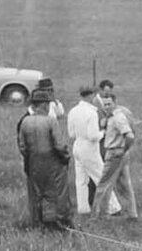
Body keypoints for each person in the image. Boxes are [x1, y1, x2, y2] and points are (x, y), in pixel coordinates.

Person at [17, 87, 75, 230]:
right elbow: (59, 145)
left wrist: (30, 159)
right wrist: (66, 157)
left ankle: (39, 221)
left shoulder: (25, 121)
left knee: (37, 192)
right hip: (51, 161)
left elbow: (22, 146)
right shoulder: (50, 121)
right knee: (58, 192)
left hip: (33, 161)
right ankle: (60, 222)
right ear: (44, 105)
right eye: (48, 104)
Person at [92, 93, 139, 220]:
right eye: (105, 104)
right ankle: (132, 214)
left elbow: (130, 136)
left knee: (103, 185)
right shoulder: (111, 116)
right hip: (119, 154)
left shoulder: (118, 118)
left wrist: (123, 149)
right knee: (124, 185)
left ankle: (98, 215)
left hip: (115, 153)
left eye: (109, 104)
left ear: (115, 103)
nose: (106, 107)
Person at [67, 84, 106, 215]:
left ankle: (83, 208)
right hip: (89, 147)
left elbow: (71, 134)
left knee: (81, 180)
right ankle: (113, 207)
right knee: (101, 177)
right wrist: (103, 133)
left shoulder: (73, 111)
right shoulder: (91, 113)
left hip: (77, 145)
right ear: (91, 96)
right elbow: (93, 136)